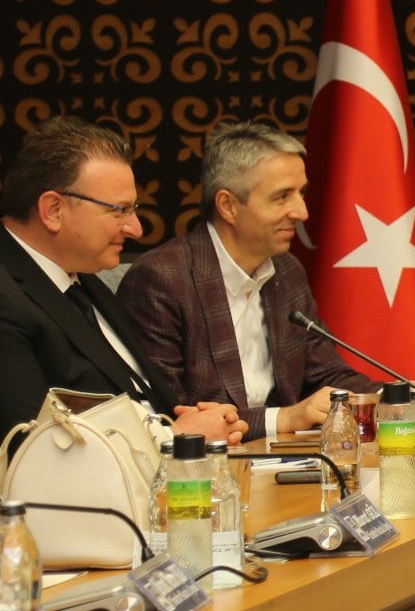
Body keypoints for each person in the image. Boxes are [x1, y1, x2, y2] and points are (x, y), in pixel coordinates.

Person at [0, 116, 246, 452]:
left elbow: (143, 400)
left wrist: (204, 421)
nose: (136, 229)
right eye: (119, 211)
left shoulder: (86, 283)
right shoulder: (7, 296)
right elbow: (27, 448)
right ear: (53, 210)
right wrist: (172, 439)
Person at [119, 121, 378, 439]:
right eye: (282, 197)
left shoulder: (287, 271)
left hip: (285, 458)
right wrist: (282, 418)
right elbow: (166, 416)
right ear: (228, 206)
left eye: (301, 194)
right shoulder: (161, 280)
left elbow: (326, 375)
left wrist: (392, 400)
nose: (302, 212)